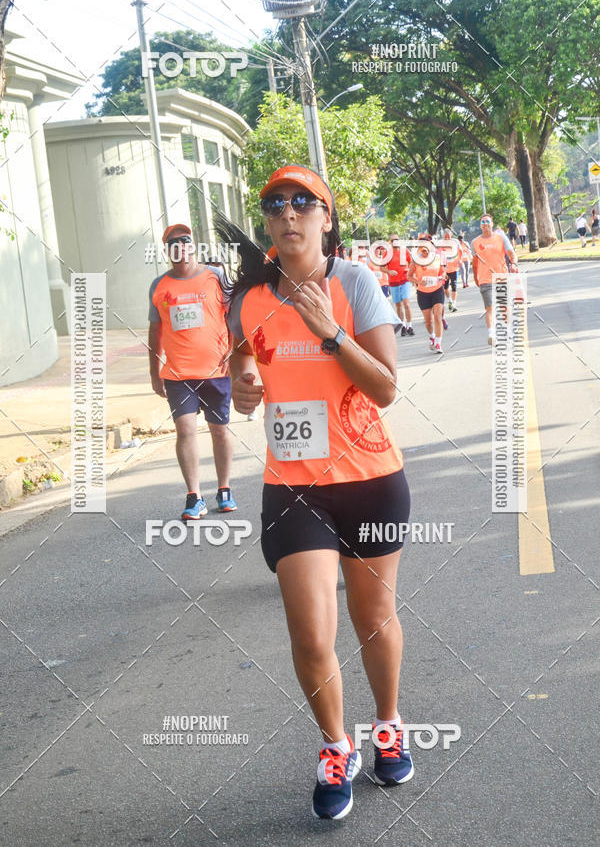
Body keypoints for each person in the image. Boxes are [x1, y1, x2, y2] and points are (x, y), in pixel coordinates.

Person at [221, 165, 413, 821]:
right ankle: (336, 746)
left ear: (326, 219)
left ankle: (387, 725)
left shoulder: (353, 283)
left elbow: (385, 387)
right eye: (275, 204)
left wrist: (331, 333)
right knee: (309, 633)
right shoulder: (249, 297)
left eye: (304, 202)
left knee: (374, 618)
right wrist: (244, 387)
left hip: (370, 481)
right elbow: (242, 359)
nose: (288, 213)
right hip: (294, 489)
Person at [148, 223, 237, 519]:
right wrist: (154, 371)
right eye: (172, 243)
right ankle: (194, 496)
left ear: (193, 245)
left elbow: (235, 315)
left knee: (219, 430)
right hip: (178, 375)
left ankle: (224, 489)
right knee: (185, 431)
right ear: (166, 251)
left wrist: (235, 350)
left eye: (184, 240)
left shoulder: (217, 277)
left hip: (216, 370)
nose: (179, 246)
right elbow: (155, 331)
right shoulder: (159, 286)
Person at [471, 214, 518, 346]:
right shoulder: (475, 242)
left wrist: (514, 264)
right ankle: (491, 334)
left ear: (492, 224)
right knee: (490, 307)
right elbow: (474, 263)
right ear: (480, 225)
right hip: (485, 279)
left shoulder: (501, 237)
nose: (485, 224)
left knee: (504, 307)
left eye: (487, 221)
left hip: (501, 277)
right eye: (482, 222)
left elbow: (512, 254)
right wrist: (475, 277)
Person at [407, 233, 446, 354]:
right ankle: (432, 336)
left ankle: (438, 343)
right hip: (423, 293)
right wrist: (419, 282)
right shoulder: (416, 260)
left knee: (437, 316)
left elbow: (443, 272)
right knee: (429, 322)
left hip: (437, 290)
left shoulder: (437, 258)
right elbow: (409, 276)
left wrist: (442, 276)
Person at [387, 234, 414, 335]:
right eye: (393, 240)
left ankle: (409, 326)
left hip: (404, 280)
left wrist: (409, 271)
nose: (395, 241)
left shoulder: (404, 250)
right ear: (390, 242)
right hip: (393, 282)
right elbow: (382, 267)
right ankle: (403, 326)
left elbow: (411, 262)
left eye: (397, 239)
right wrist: (389, 271)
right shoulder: (388, 253)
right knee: (398, 305)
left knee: (406, 303)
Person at [440, 228, 461, 311]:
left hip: (454, 269)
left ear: (451, 235)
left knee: (454, 286)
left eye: (448, 236)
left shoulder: (455, 243)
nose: (447, 238)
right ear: (443, 236)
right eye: (445, 236)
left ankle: (454, 304)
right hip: (445, 270)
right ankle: (450, 300)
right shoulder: (440, 244)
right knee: (445, 288)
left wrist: (458, 260)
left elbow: (460, 252)